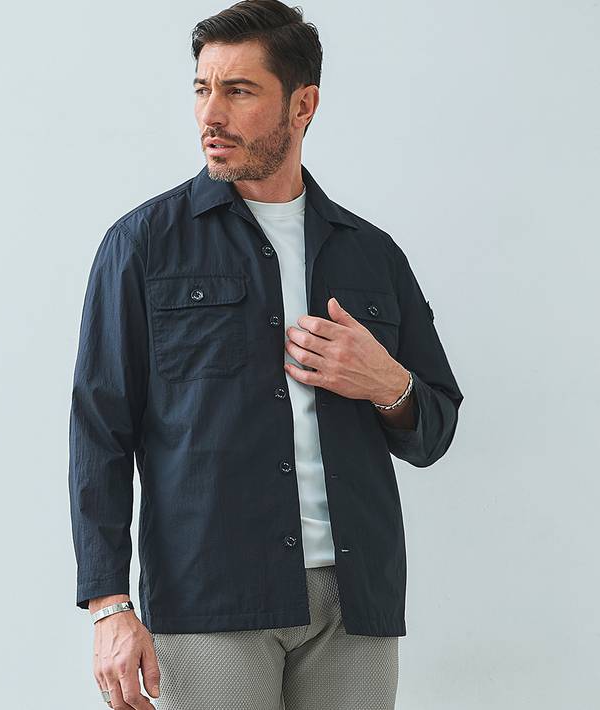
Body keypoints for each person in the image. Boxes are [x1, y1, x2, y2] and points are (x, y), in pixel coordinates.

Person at [68, 1, 464, 708]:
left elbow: (434, 431)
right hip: (211, 596)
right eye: (202, 89)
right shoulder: (143, 245)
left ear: (302, 105)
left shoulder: (372, 255)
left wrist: (389, 384)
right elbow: (101, 430)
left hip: (356, 600)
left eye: (239, 91)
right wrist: (108, 605)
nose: (210, 114)